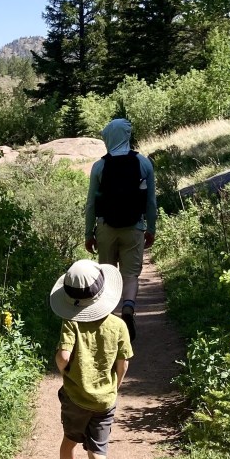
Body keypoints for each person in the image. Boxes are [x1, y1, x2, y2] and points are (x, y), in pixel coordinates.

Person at [49, 258, 133, 459]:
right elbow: (124, 363)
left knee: (69, 440)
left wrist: (66, 370)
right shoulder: (118, 326)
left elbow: (63, 356)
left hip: (75, 397)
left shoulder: (71, 323)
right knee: (98, 452)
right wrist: (116, 384)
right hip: (105, 401)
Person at [84, 118, 156, 342]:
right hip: (134, 226)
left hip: (106, 227)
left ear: (108, 137)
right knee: (131, 274)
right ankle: (128, 308)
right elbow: (151, 202)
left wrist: (89, 233)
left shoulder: (100, 166)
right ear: (126, 135)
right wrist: (151, 228)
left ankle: (107, 318)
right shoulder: (143, 163)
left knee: (107, 272)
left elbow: (91, 204)